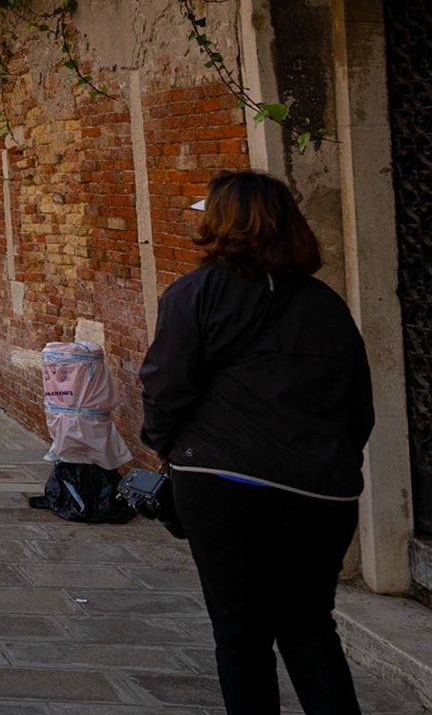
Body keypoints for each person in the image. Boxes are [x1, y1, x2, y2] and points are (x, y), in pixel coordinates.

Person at [140, 171, 374, 715]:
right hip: (321, 491)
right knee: (310, 627)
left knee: (241, 633)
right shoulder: (327, 306)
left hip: (223, 481)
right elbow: (357, 406)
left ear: (219, 222)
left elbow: (165, 384)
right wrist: (328, 465)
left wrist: (169, 449)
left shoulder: (194, 294)